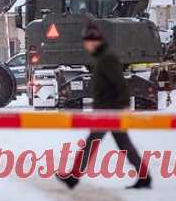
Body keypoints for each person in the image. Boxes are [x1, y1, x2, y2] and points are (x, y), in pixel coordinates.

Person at [57, 22, 151, 190]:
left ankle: (73, 177)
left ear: (94, 41)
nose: (86, 45)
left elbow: (120, 84)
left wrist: (122, 107)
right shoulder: (103, 57)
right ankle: (144, 176)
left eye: (87, 42)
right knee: (123, 144)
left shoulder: (107, 58)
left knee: (92, 143)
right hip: (107, 109)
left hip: (109, 110)